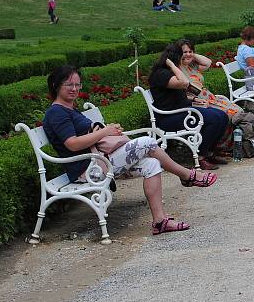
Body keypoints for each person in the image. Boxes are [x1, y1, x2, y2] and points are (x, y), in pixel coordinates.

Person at [43, 65, 216, 236]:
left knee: (151, 164)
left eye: (77, 85)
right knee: (147, 142)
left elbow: (88, 135)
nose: (74, 89)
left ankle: (160, 221)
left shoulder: (69, 108)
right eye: (69, 85)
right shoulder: (57, 113)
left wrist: (106, 130)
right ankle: (187, 175)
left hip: (101, 161)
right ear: (56, 85)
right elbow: (72, 144)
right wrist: (105, 131)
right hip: (88, 170)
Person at [149, 44, 231, 169]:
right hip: (169, 116)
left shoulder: (170, 72)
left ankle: (209, 152)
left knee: (222, 115)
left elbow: (179, 94)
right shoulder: (162, 74)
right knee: (214, 119)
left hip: (183, 111)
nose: (183, 61)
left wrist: (195, 99)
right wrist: (172, 65)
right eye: (181, 57)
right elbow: (184, 83)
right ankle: (200, 155)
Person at [176, 39, 242, 124]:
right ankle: (236, 135)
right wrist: (187, 54)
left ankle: (240, 134)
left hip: (209, 97)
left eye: (190, 51)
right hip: (198, 102)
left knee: (237, 109)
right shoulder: (177, 69)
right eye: (184, 52)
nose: (188, 54)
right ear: (178, 52)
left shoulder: (191, 66)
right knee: (232, 113)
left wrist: (191, 55)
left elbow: (208, 63)